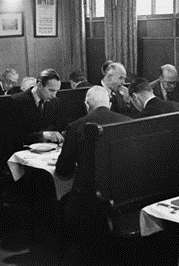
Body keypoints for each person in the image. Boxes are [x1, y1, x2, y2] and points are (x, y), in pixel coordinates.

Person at [55, 85, 132, 264]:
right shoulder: (128, 121)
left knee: (63, 202)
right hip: (121, 195)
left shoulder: (75, 127)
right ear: (110, 103)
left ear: (86, 104)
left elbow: (63, 170)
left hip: (86, 199)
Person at [10, 69, 64, 150]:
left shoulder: (54, 102)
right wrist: (42, 135)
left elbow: (56, 126)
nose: (54, 95)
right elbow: (13, 136)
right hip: (24, 151)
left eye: (56, 91)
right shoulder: (16, 101)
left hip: (49, 150)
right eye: (51, 90)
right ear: (39, 85)